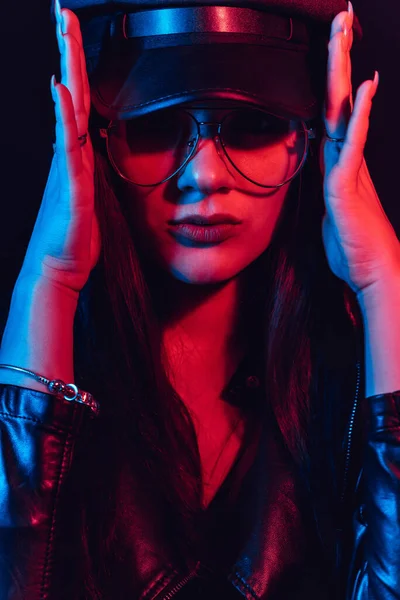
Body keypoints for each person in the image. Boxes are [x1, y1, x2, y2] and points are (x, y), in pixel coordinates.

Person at [0, 0, 399, 598]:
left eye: (254, 124)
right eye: (158, 125)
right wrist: (49, 280)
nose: (204, 175)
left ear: (311, 139)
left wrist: (384, 283)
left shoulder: (343, 386)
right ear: (95, 141)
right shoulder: (51, 375)